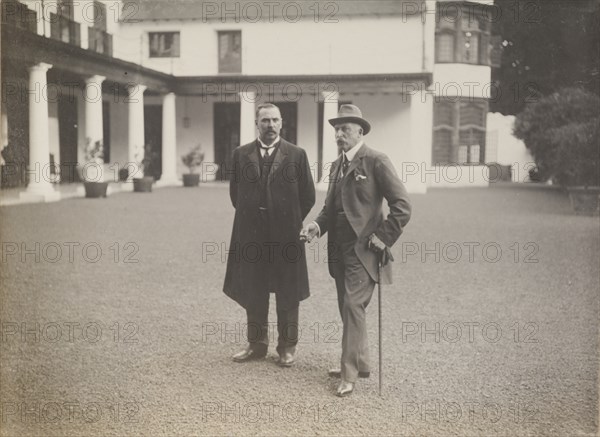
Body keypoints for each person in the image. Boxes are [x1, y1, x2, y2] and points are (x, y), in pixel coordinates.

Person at [300, 104, 411, 396]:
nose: (339, 134)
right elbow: (329, 209)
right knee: (348, 308)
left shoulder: (376, 160)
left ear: (359, 131)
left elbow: (402, 206)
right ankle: (360, 362)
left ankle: (348, 374)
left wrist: (384, 236)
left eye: (345, 129)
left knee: (352, 306)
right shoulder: (337, 165)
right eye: (336, 129)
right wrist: (316, 226)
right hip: (339, 248)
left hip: (364, 250)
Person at [224, 103, 316, 367]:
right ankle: (257, 344)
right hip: (252, 234)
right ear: (257, 123)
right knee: (254, 288)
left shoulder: (297, 155)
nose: (271, 125)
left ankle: (287, 347)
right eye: (265, 121)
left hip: (286, 236)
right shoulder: (241, 155)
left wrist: (287, 219)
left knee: (288, 289)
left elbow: (307, 197)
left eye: (275, 120)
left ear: (282, 123)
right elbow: (235, 195)